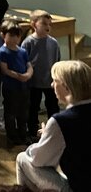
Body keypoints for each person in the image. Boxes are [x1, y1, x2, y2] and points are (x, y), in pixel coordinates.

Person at [16, 60, 91, 192]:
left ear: (67, 86)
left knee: (22, 159)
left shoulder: (61, 121)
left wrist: (45, 137)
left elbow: (38, 160)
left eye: (55, 81)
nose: (51, 85)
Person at [22, 10, 61, 142]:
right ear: (34, 24)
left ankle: (54, 130)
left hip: (50, 81)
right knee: (33, 107)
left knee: (53, 107)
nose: (47, 26)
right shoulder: (28, 42)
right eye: (44, 23)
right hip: (34, 82)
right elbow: (24, 61)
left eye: (49, 24)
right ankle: (33, 132)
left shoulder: (53, 43)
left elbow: (57, 61)